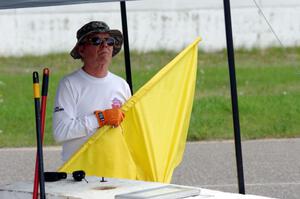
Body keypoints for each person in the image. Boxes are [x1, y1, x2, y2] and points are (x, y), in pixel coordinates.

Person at [53, 21, 132, 161]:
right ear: (82, 50)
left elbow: (130, 130)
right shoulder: (69, 84)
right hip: (80, 173)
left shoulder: (122, 85)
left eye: (109, 41)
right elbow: (61, 132)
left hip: (116, 169)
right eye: (96, 40)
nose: (105, 46)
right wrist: (101, 118)